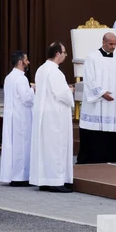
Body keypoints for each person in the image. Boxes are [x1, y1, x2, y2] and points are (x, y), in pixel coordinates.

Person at [77, 32, 116, 164]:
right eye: (111, 44)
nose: (113, 47)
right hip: (96, 103)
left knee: (109, 133)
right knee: (94, 132)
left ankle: (110, 158)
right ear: (103, 42)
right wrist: (102, 93)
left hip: (110, 103)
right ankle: (90, 160)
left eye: (115, 44)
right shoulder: (92, 57)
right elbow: (89, 79)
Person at [29, 41, 75, 193]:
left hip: (43, 113)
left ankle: (44, 180)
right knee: (56, 148)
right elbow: (61, 94)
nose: (65, 56)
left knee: (45, 148)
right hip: (56, 115)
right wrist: (70, 92)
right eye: (64, 53)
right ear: (57, 54)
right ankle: (56, 181)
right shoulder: (55, 72)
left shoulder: (41, 69)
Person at [0, 51, 35, 187]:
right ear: (20, 62)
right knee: (22, 147)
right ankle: (20, 177)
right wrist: (33, 89)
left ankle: (14, 174)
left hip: (12, 116)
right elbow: (26, 99)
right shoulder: (21, 78)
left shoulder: (9, 77)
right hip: (21, 117)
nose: (28, 62)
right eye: (26, 60)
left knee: (14, 146)